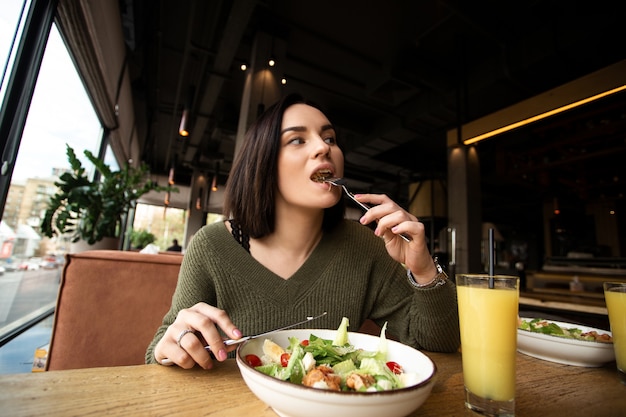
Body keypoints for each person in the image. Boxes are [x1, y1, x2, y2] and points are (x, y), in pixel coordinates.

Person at [146, 93, 460, 369]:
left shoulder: (367, 246)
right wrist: (174, 345)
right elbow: (159, 352)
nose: (324, 147)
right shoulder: (212, 246)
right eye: (298, 139)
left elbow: (441, 342)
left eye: (330, 138)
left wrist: (424, 269)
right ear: (264, 163)